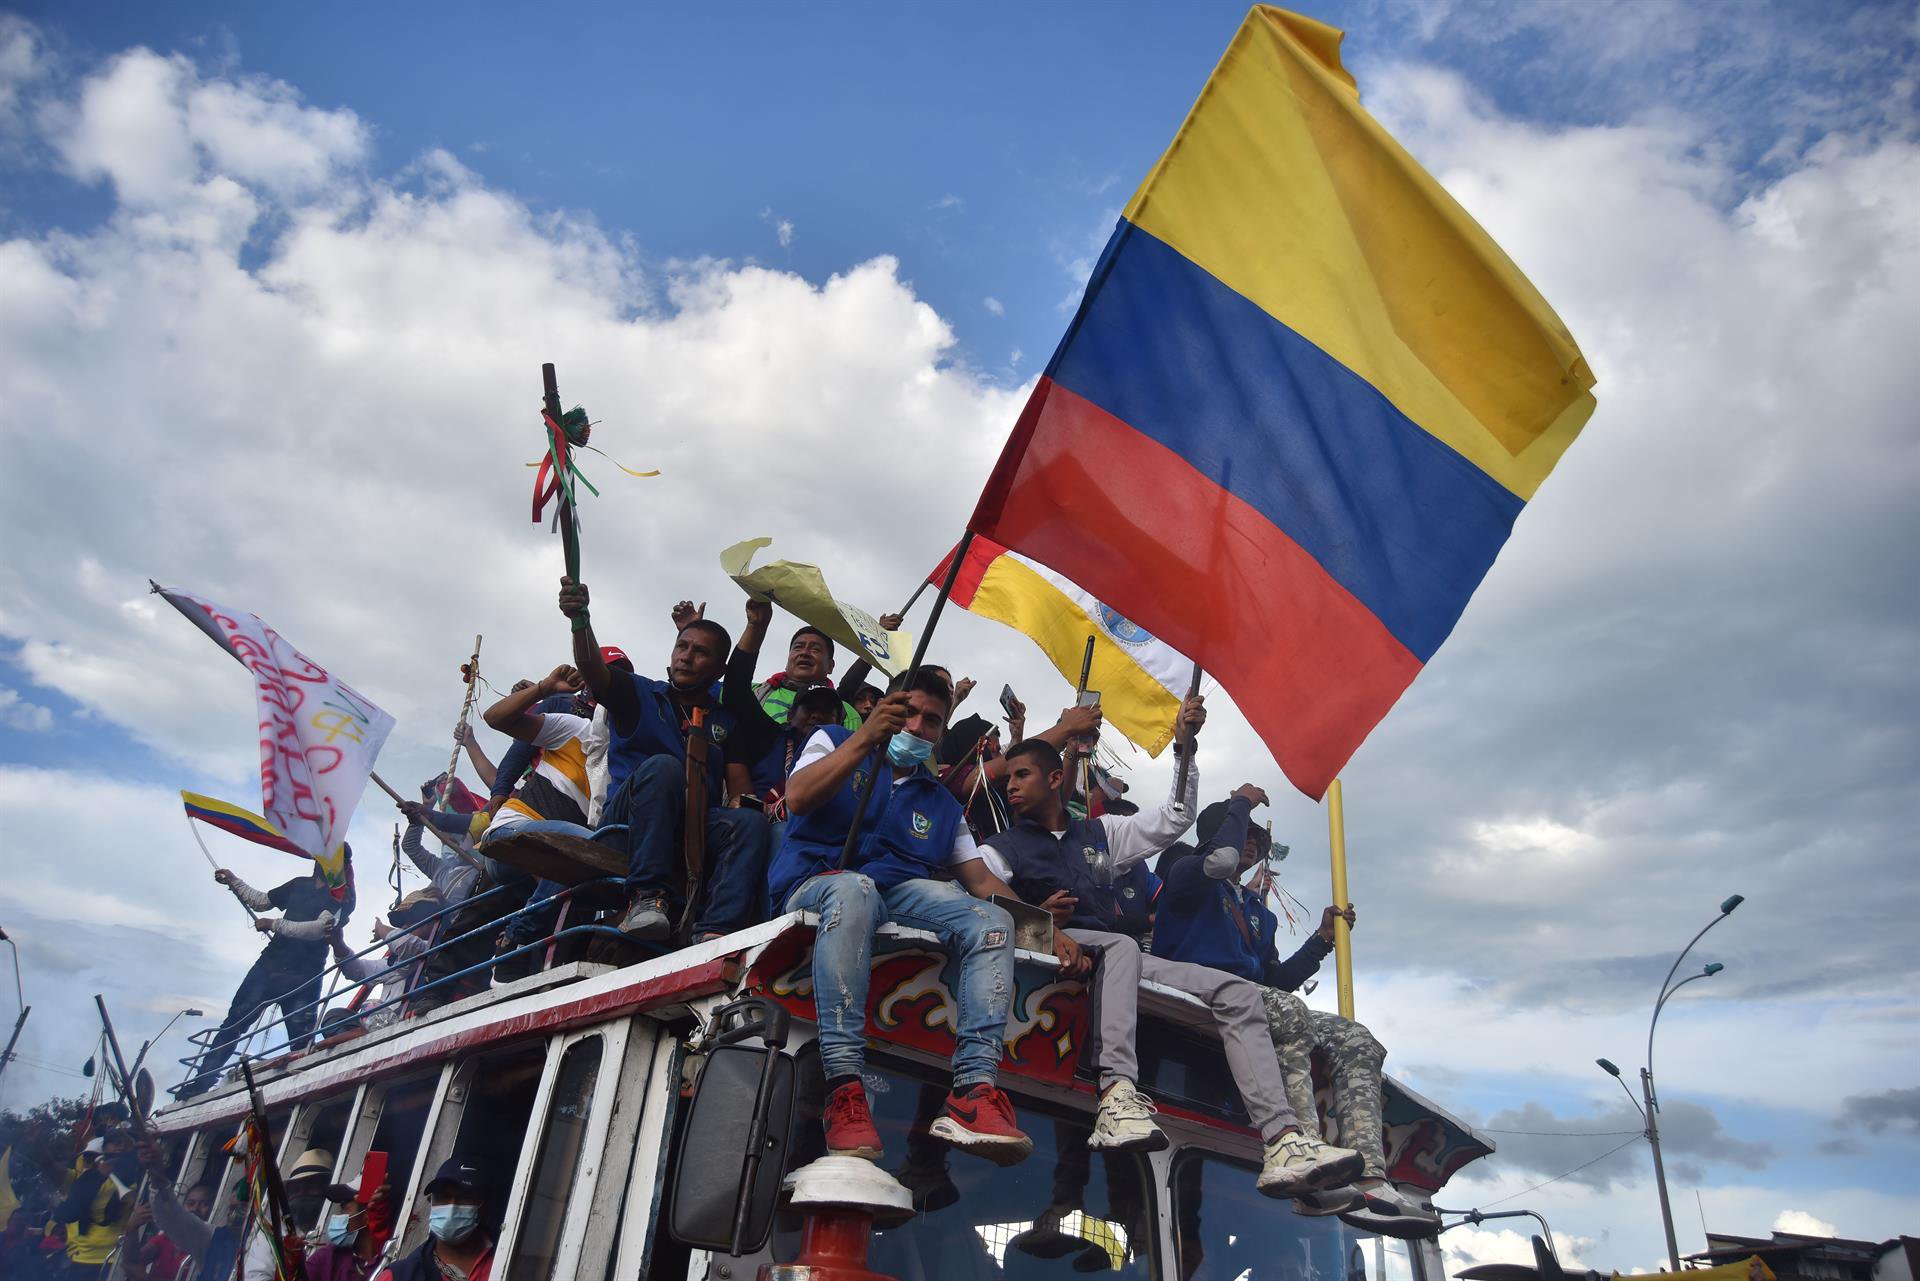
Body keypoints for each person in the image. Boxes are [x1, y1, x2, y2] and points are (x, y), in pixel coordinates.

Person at [979, 725, 1364, 1201]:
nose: (1011, 785)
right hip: (1059, 947)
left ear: (1055, 778)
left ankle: (1282, 1139)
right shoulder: (1000, 847)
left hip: (1116, 955)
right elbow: (975, 903)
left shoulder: (1101, 833)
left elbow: (1174, 816)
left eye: (1023, 774)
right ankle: (1117, 1093)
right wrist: (1044, 927)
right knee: (1122, 947)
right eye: (1008, 776)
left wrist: (1185, 748)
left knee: (1239, 991)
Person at [769, 670, 1075, 1167]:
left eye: (932, 720)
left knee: (990, 922)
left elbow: (981, 880)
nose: (917, 726)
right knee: (857, 888)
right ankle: (844, 1087)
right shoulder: (834, 739)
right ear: (881, 707)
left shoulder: (940, 801)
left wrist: (1048, 930)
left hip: (897, 892)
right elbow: (799, 797)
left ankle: (974, 1091)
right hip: (817, 883)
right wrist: (867, 738)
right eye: (907, 711)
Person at [1154, 807, 1438, 1236]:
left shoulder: (1256, 912)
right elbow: (1212, 864)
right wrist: (1240, 806)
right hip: (1191, 990)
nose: (1253, 844)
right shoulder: (1186, 872)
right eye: (1245, 834)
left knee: (1355, 1037)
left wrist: (1322, 940)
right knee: (1289, 1013)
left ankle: (1371, 1178)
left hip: (1255, 999)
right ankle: (1303, 1159)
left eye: (1258, 840)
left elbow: (1274, 980)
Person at [558, 577, 769, 942]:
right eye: (681, 646)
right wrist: (580, 621)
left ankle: (716, 933)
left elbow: (739, 789)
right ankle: (647, 898)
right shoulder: (639, 693)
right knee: (665, 768)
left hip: (690, 830)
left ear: (719, 670)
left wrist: (746, 805)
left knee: (749, 824)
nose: (686, 656)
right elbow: (592, 667)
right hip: (627, 830)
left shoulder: (723, 720)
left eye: (700, 652)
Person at [183, 860, 356, 1095]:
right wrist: (234, 881)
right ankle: (202, 1082)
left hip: (302, 975)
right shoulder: (299, 884)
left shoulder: (340, 898)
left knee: (299, 1039)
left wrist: (274, 924)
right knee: (234, 1024)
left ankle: (304, 1089)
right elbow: (262, 901)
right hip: (272, 966)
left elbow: (318, 929)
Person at [376, 1159, 493, 1281]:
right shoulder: (399, 1276)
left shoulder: (505, 1261)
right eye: (443, 1197)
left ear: (483, 1206)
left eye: (464, 1198)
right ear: (430, 1202)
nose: (451, 1207)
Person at [54, 1132, 134, 1278]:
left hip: (116, 1259)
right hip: (82, 1259)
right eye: (116, 1143)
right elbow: (69, 1214)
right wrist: (97, 1177)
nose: (121, 1147)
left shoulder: (135, 1173)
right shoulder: (86, 1179)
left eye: (125, 1144)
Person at [301, 1178, 391, 1281]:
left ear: (366, 1215)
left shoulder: (389, 1258)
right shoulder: (327, 1258)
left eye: (345, 1208)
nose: (338, 1216)